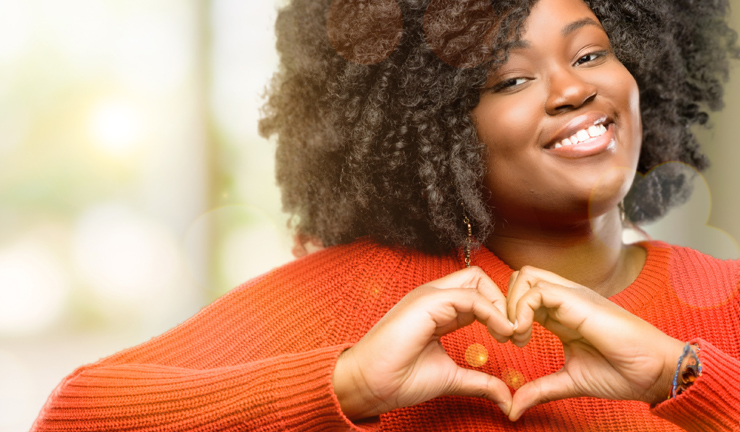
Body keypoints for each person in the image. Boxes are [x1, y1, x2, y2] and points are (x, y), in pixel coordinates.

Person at [32, 0, 740, 430]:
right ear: (436, 130)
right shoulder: (371, 297)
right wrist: (349, 386)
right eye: (513, 79)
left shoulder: (727, 301)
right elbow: (74, 418)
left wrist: (678, 376)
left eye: (590, 52)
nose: (572, 90)